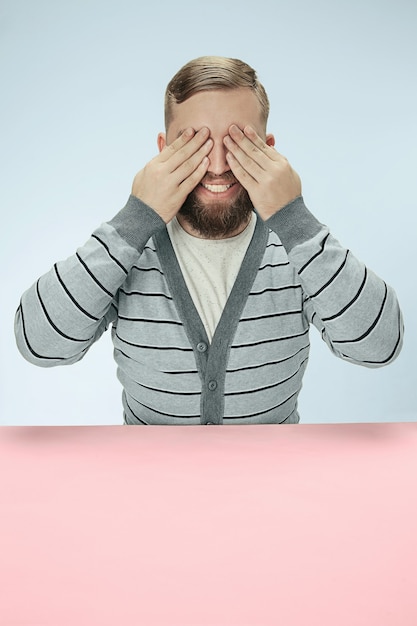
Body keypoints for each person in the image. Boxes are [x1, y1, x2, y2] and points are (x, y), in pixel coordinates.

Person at [14, 56, 404, 425]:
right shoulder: (127, 252)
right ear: (162, 152)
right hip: (146, 489)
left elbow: (380, 346)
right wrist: (135, 218)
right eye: (195, 144)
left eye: (237, 143)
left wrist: (294, 218)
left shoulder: (298, 251)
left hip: (280, 489)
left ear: (269, 151)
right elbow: (39, 343)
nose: (217, 166)